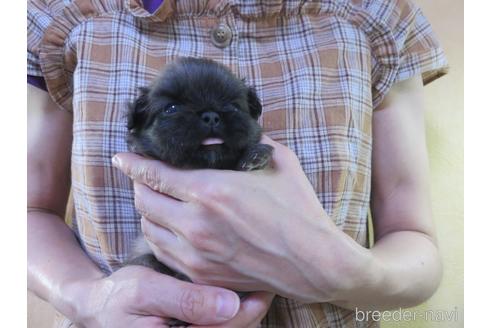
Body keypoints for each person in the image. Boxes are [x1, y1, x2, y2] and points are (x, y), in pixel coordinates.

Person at [27, 0, 449, 327]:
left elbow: (413, 238)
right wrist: (89, 298)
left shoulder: (374, 14)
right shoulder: (60, 14)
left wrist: (338, 269)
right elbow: (27, 210)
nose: (210, 119)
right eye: (173, 110)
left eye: (229, 107)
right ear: (139, 121)